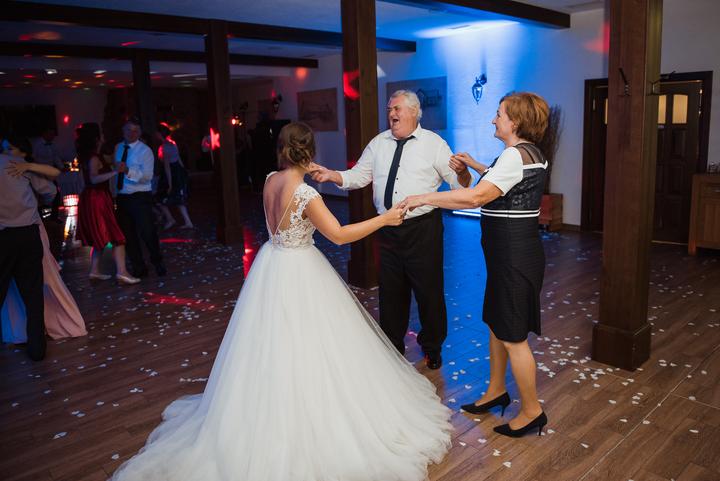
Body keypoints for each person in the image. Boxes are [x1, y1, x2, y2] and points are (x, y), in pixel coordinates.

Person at [109, 122, 452, 481]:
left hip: (272, 264)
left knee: (272, 344)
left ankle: (268, 406)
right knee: (311, 345)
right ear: (310, 151)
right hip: (300, 269)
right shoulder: (305, 195)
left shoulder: (271, 180)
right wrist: (384, 219)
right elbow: (338, 235)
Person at [403, 91, 550, 438]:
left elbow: (477, 196)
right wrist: (477, 166)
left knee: (513, 337)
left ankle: (532, 411)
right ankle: (496, 390)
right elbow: (505, 180)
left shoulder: (513, 155)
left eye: (499, 114)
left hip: (513, 257)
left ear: (515, 121)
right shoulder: (529, 153)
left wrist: (424, 197)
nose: (493, 119)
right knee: (498, 325)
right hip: (512, 254)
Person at [310, 90, 471, 370]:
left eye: (396, 108)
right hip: (387, 228)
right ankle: (392, 349)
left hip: (423, 229)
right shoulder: (378, 143)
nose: (391, 114)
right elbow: (358, 176)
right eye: (389, 109)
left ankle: (432, 347)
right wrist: (331, 174)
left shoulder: (434, 144)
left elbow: (459, 185)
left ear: (414, 112)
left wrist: (464, 172)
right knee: (391, 293)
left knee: (429, 292)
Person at [0, 137, 57, 360]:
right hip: (28, 235)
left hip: (3, 237)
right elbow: (50, 191)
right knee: (33, 294)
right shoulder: (19, 165)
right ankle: (37, 349)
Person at [75, 123, 140, 284]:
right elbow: (93, 179)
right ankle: (122, 273)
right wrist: (115, 172)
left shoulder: (91, 156)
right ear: (97, 139)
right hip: (97, 199)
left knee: (100, 235)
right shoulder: (94, 158)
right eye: (101, 134)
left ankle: (95, 271)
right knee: (117, 236)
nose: (104, 137)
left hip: (93, 198)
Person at [114, 119, 166, 278]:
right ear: (123, 131)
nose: (132, 133)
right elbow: (115, 173)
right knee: (128, 235)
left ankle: (157, 262)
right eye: (129, 130)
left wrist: (128, 170)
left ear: (140, 133)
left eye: (136, 130)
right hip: (122, 197)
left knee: (148, 232)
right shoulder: (118, 147)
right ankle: (139, 267)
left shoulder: (145, 151)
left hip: (140, 196)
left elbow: (147, 177)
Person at [155, 123, 194, 230]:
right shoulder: (172, 143)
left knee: (160, 198)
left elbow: (167, 166)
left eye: (157, 132)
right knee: (178, 198)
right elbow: (178, 159)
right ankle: (187, 222)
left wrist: (170, 184)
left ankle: (171, 219)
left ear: (160, 134)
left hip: (172, 174)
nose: (155, 134)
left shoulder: (165, 147)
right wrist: (183, 170)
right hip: (177, 172)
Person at [31, 127, 65, 220]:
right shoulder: (37, 144)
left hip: (50, 173)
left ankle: (54, 216)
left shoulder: (53, 145)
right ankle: (40, 217)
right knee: (39, 195)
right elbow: (32, 158)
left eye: (53, 134)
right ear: (44, 133)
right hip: (39, 173)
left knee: (56, 192)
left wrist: (62, 167)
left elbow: (55, 157)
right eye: (50, 134)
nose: (52, 136)